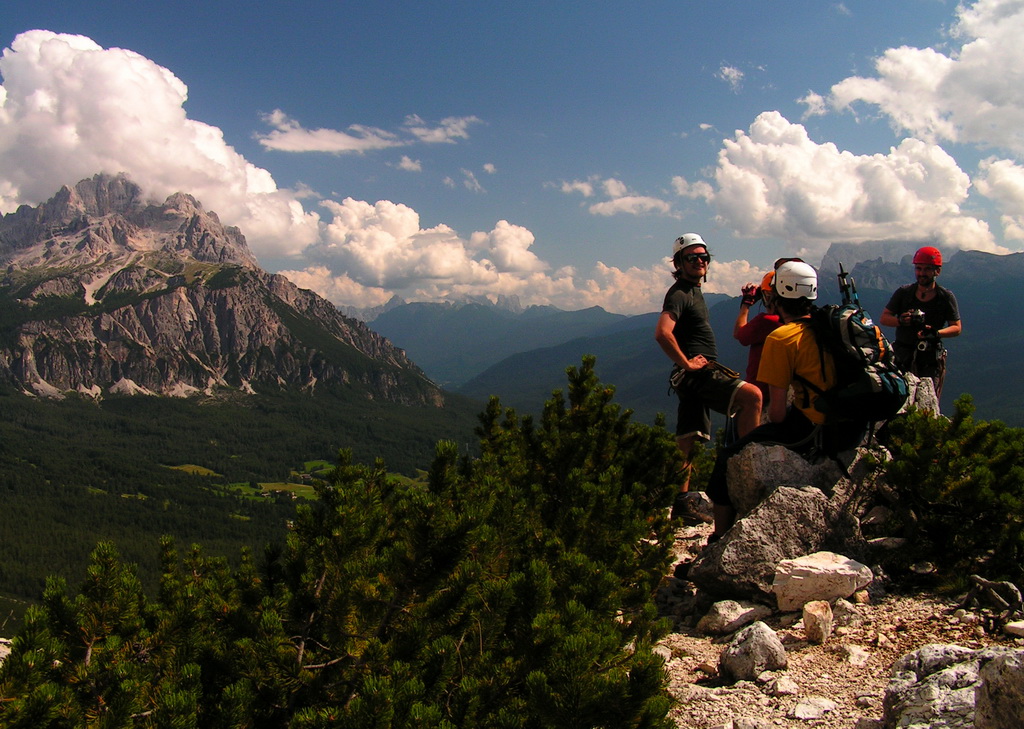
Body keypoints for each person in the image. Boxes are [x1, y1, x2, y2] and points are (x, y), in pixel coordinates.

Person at [703, 260, 866, 540]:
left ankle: (719, 539)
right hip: (852, 428)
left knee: (728, 457)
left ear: (776, 296)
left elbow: (777, 414)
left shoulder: (781, 338)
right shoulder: (829, 325)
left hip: (814, 430)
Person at [654, 233, 762, 509]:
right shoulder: (679, 294)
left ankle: (682, 500)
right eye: (692, 258)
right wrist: (687, 363)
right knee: (752, 398)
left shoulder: (692, 291)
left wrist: (746, 305)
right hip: (698, 374)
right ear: (679, 263)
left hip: (690, 377)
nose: (700, 261)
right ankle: (753, 473)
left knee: (688, 438)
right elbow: (663, 333)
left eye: (704, 257)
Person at [880, 246, 961, 399]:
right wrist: (901, 321)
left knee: (926, 400)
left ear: (937, 271)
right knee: (896, 398)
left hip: (929, 359)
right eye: (918, 268)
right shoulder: (904, 293)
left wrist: (936, 333)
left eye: (926, 269)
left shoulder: (945, 297)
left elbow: (956, 328)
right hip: (901, 355)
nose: (921, 273)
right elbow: (884, 318)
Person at [733, 271, 782, 403]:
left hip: (761, 394)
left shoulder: (767, 321)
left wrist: (746, 303)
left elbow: (739, 333)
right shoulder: (797, 321)